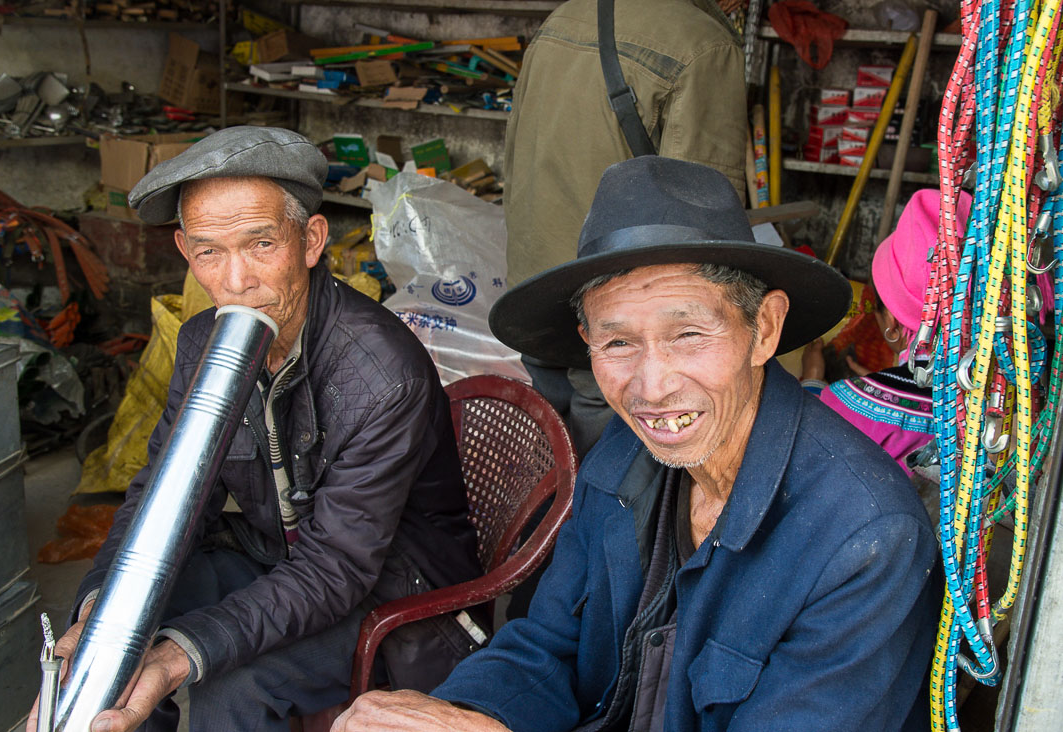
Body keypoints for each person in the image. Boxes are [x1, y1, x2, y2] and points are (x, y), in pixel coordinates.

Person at [331, 157, 940, 732]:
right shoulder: (623, 458)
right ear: (586, 340)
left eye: (689, 334)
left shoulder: (866, 537)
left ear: (766, 330)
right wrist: (466, 713)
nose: (652, 388)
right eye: (618, 343)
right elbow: (547, 646)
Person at [28, 127, 482, 732]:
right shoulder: (203, 343)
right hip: (280, 555)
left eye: (261, 244)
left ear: (310, 241)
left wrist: (181, 657)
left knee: (231, 681)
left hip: (391, 587)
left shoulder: (380, 374)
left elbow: (336, 569)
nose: (236, 280)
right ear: (187, 253)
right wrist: (101, 610)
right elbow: (164, 495)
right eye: (210, 252)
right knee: (119, 636)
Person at [504, 0, 750, 458]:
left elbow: (515, 147)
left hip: (538, 276)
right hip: (621, 293)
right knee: (619, 454)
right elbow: (698, 207)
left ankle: (548, 526)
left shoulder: (564, 16)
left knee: (549, 442)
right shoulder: (703, 44)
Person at [801, 188, 973, 476]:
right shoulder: (1001, 394)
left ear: (892, 323)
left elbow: (805, 445)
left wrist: (812, 380)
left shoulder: (847, 404)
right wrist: (885, 381)